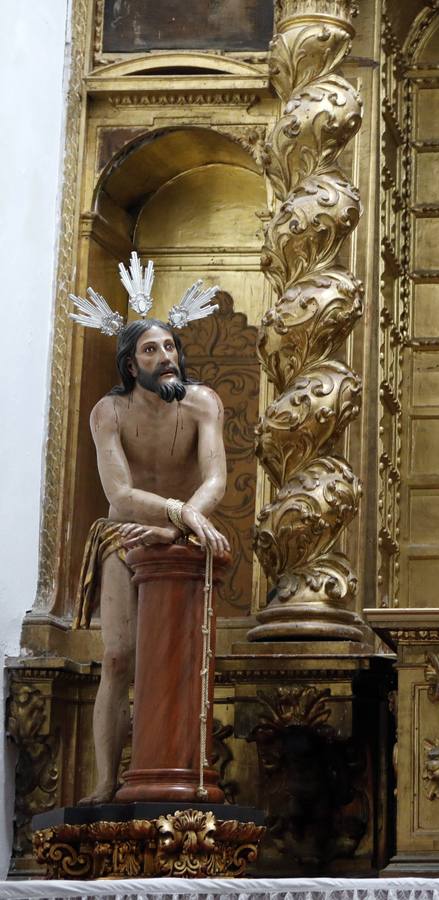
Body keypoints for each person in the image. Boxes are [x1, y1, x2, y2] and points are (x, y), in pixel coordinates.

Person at [69, 255, 230, 804]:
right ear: (129, 365)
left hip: (181, 541)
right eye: (150, 350)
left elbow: (214, 479)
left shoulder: (203, 403)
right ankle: (103, 783)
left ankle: (181, 776)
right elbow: (119, 494)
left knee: (180, 660)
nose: (165, 358)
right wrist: (180, 512)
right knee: (117, 658)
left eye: (169, 348)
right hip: (125, 537)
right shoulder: (107, 413)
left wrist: (186, 520)